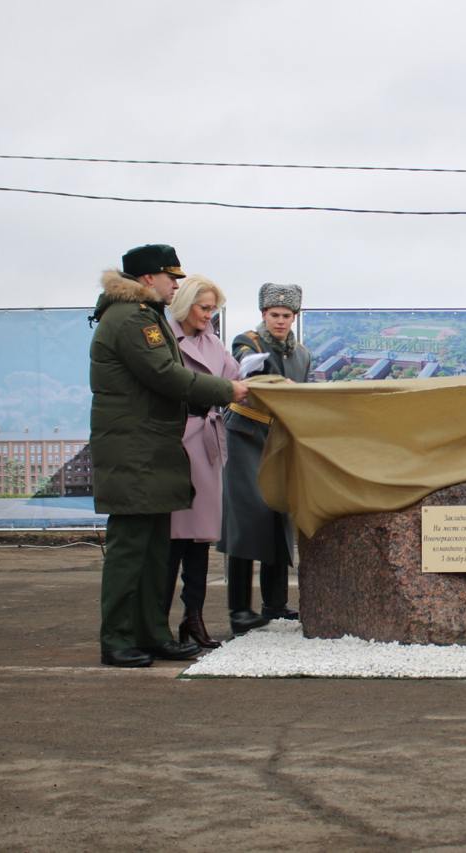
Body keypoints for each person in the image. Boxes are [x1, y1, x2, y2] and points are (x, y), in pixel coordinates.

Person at [90, 244, 250, 668]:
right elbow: (164, 374)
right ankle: (118, 638)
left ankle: (152, 633)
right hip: (135, 449)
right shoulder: (129, 319)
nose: (175, 284)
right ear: (148, 279)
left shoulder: (144, 317)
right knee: (130, 552)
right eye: (170, 277)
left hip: (152, 448)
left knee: (154, 551)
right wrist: (225, 391)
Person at [220, 283, 312, 632]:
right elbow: (251, 373)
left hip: (278, 438)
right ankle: (239, 609)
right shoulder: (248, 342)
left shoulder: (302, 354)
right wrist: (280, 385)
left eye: (286, 316)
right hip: (244, 434)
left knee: (278, 515)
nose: (280, 321)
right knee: (246, 518)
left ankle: (275, 603)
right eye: (274, 315)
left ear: (294, 317)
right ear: (263, 315)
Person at [164, 275, 239, 649]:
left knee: (200, 540)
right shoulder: (164, 339)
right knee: (172, 541)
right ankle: (159, 623)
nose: (210, 316)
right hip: (178, 442)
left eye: (214, 309)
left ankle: (193, 618)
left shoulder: (213, 343)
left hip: (207, 443)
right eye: (204, 307)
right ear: (185, 304)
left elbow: (238, 381)